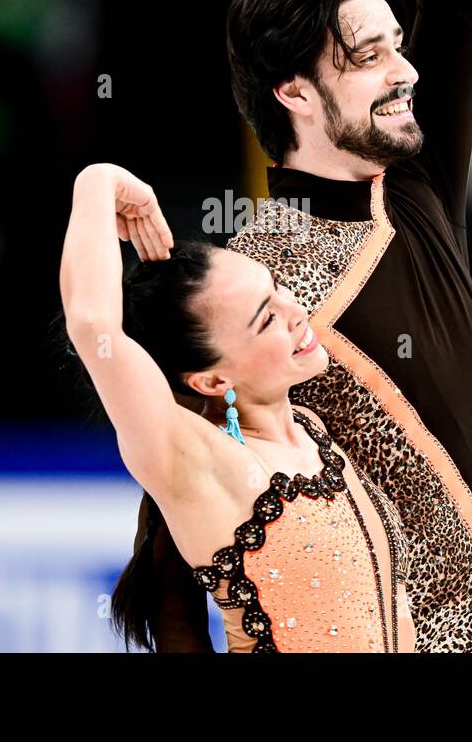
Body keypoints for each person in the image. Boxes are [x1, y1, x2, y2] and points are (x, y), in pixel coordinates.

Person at [134, 0, 472, 653]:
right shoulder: (246, 287)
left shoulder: (416, 187)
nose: (407, 71)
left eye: (398, 45)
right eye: (369, 56)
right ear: (294, 93)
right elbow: (168, 545)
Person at [59, 162, 415, 652]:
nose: (294, 311)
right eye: (266, 318)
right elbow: (93, 328)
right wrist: (97, 182)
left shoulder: (313, 430)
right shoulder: (204, 463)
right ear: (212, 379)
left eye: (276, 288)